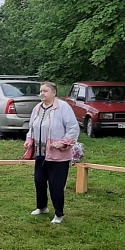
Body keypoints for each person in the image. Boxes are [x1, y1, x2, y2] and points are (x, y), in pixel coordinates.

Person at [24, 81, 80, 224]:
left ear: (54, 93)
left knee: (56, 185)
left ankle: (59, 214)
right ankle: (42, 207)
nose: (42, 93)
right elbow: (32, 127)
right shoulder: (37, 108)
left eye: (45, 91)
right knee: (39, 181)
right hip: (40, 154)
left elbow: (73, 128)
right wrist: (29, 140)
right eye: (41, 91)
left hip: (58, 156)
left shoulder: (63, 107)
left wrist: (63, 142)